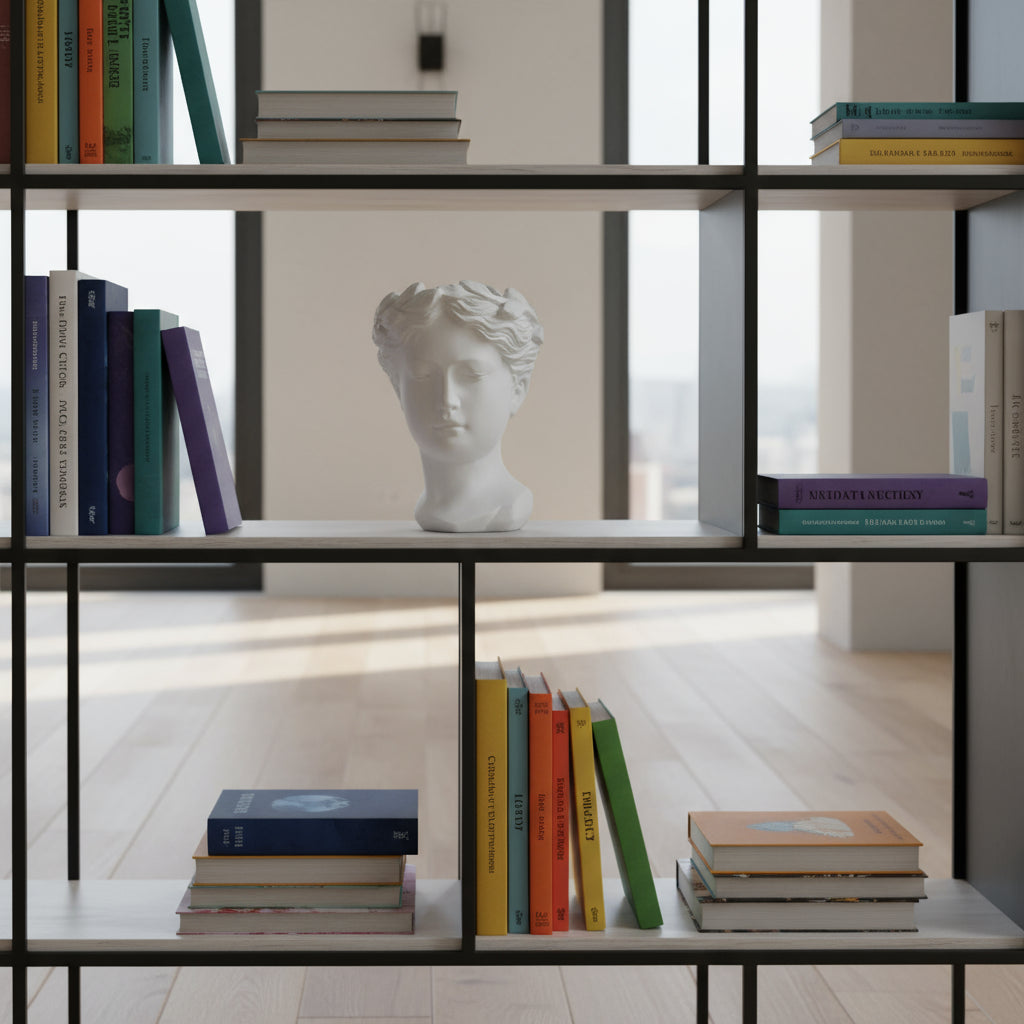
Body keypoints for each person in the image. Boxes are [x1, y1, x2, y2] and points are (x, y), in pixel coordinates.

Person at [372, 280, 543, 532]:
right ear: (399, 389)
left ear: (517, 390)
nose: (447, 399)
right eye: (423, 375)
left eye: (472, 375)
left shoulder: (510, 508)